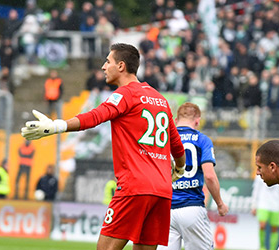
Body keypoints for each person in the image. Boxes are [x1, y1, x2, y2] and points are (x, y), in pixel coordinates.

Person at [21, 43, 186, 250]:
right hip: (162, 191)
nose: (103, 67)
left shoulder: (126, 94)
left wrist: (57, 125)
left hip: (135, 186)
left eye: (108, 61)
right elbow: (177, 146)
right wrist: (178, 170)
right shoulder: (160, 99)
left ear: (121, 66)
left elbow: (96, 116)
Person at [157, 102, 229, 250]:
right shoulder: (202, 140)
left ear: (176, 121)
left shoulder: (163, 141)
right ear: (198, 121)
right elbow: (209, 176)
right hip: (192, 207)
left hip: (166, 210)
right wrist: (220, 204)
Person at [251, 174, 279, 250]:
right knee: (262, 225)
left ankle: (273, 248)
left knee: (274, 228)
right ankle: (262, 247)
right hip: (262, 204)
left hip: (276, 205)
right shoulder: (260, 174)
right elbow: (256, 190)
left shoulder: (278, 174)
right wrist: (254, 205)